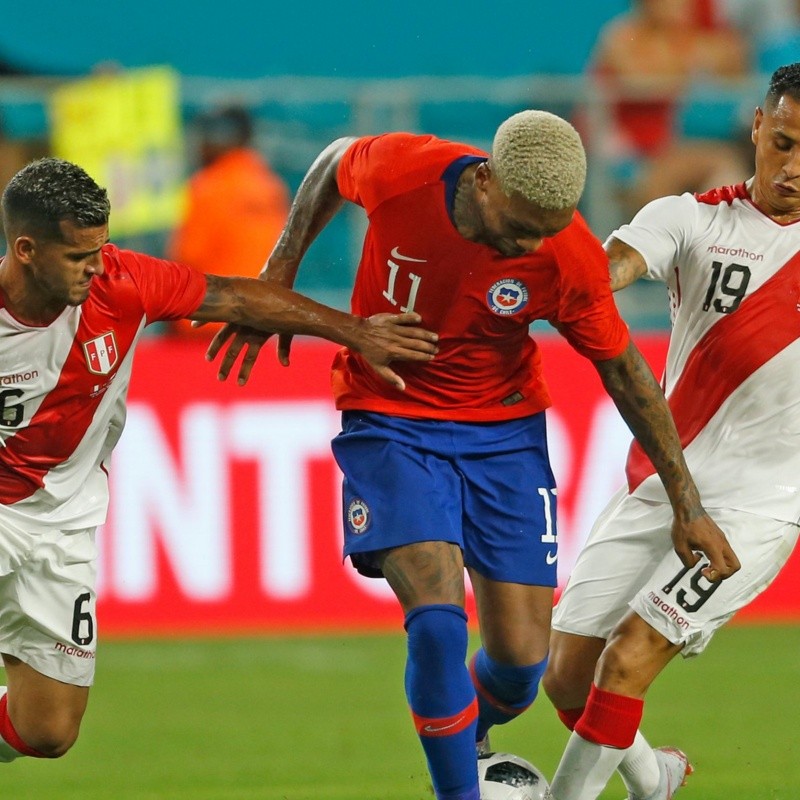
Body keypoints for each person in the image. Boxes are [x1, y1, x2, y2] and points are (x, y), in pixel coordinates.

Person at [205, 110, 739, 800]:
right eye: (518, 228)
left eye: (544, 232)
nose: (527, 246)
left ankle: (463, 739)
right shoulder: (404, 171)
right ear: (485, 180)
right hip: (390, 417)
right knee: (434, 623)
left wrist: (686, 504)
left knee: (520, 665)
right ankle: (458, 789)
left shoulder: (566, 255)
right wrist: (281, 266)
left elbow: (627, 375)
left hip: (504, 434)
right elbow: (333, 163)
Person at [0, 156, 439, 763]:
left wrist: (356, 332)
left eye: (100, 250)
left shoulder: (122, 284)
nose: (95, 268)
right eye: (78, 257)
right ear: (25, 249)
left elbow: (231, 296)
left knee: (47, 731)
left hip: (63, 527)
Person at [543, 62, 800, 800]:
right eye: (783, 142)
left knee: (628, 658)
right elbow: (614, 266)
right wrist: (570, 276)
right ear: (757, 126)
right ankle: (655, 778)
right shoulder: (693, 218)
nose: (793, 168)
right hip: (668, 485)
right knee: (565, 676)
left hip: (757, 507)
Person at [588, 0, 751, 218]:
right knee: (663, 184)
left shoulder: (678, 38)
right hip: (620, 152)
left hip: (662, 148)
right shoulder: (621, 33)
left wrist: (688, 51)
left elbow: (735, 61)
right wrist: (691, 56)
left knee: (727, 169)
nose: (682, 7)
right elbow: (640, 78)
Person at [166, 104, 290, 337]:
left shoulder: (206, 188)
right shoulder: (273, 188)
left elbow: (187, 258)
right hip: (258, 323)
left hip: (203, 324)